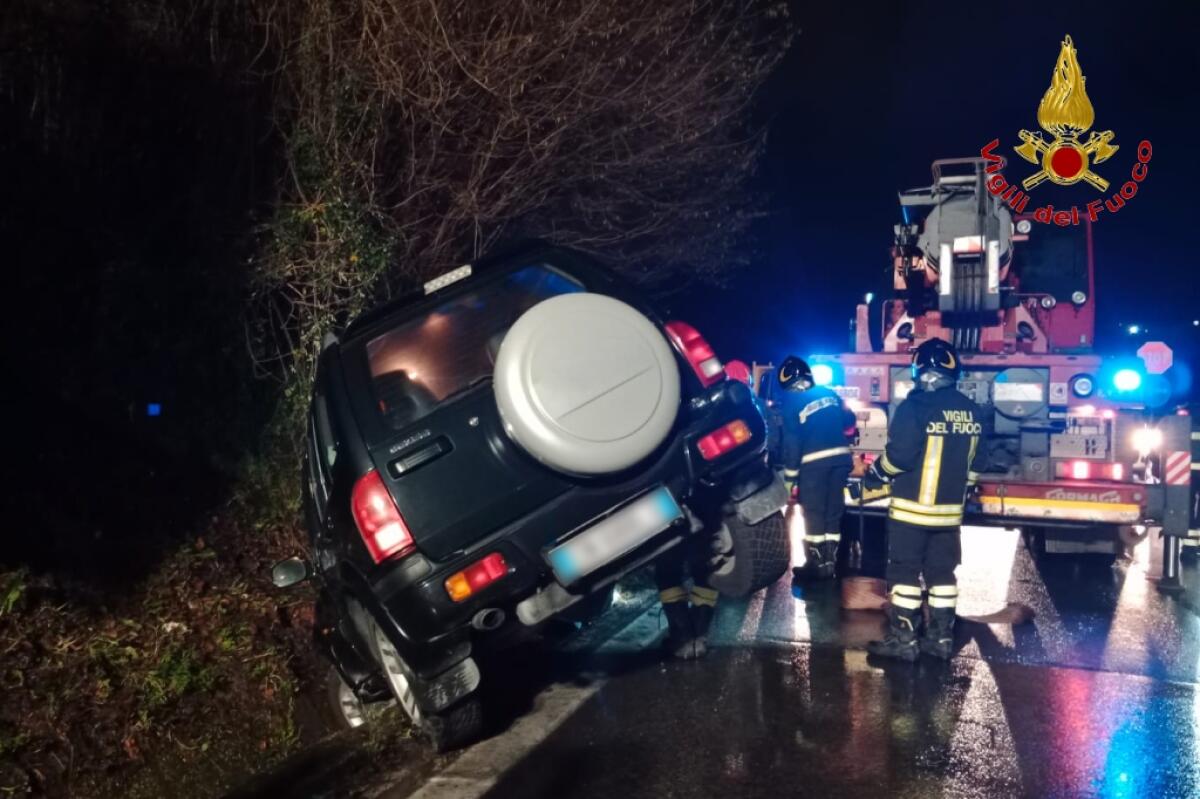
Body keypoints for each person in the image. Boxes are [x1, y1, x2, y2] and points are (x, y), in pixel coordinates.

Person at [865, 339, 985, 662]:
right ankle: (941, 639)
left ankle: (904, 641)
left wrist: (876, 474)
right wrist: (961, 493)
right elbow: (977, 463)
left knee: (904, 573)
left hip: (911, 511)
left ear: (919, 371)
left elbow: (899, 458)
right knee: (942, 574)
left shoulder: (914, 407)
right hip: (950, 515)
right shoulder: (972, 411)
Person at [776, 355, 854, 581]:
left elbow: (792, 444)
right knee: (833, 512)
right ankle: (830, 563)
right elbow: (849, 421)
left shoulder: (791, 405)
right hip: (841, 460)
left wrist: (790, 478)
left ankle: (816, 565)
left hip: (814, 463)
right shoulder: (830, 394)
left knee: (814, 512)